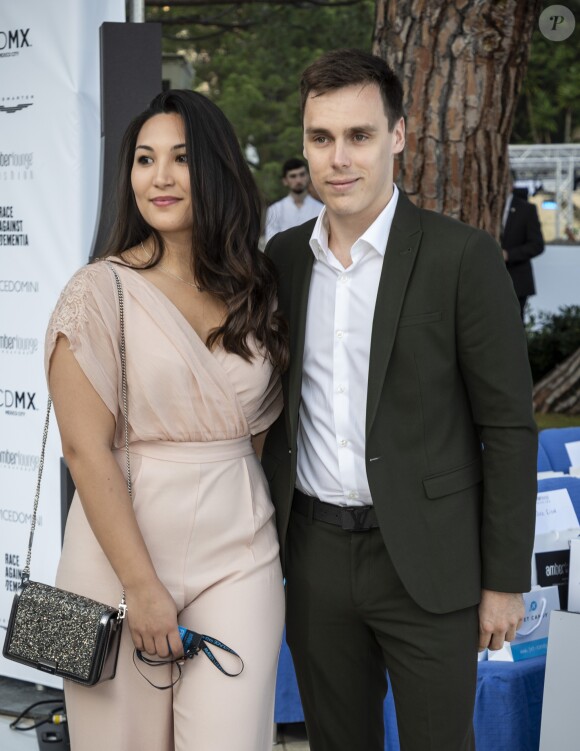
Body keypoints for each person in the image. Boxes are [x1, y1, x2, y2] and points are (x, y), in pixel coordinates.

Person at [262, 49, 537, 751]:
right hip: (317, 555)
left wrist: (505, 581)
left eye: (359, 135)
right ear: (304, 144)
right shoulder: (282, 262)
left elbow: (507, 426)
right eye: (321, 138)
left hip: (431, 560)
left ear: (399, 136)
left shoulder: (462, 257)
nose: (338, 158)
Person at [45, 89, 288, 751]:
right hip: (115, 560)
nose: (160, 176)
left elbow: (258, 436)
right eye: (145, 158)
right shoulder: (98, 289)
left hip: (240, 554)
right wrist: (142, 586)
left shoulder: (256, 287)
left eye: (180, 158)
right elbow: (82, 448)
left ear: (215, 169)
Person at [501, 172, 545, 319]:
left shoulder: (526, 210)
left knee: (513, 326)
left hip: (517, 281)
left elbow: (537, 245)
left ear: (510, 185)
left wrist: (509, 255)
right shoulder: (485, 205)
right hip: (488, 281)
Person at [263, 157, 323, 243]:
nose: (298, 180)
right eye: (293, 176)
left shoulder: (321, 209)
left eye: (302, 174)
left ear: (308, 177)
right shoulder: (274, 210)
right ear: (285, 181)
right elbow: (271, 242)